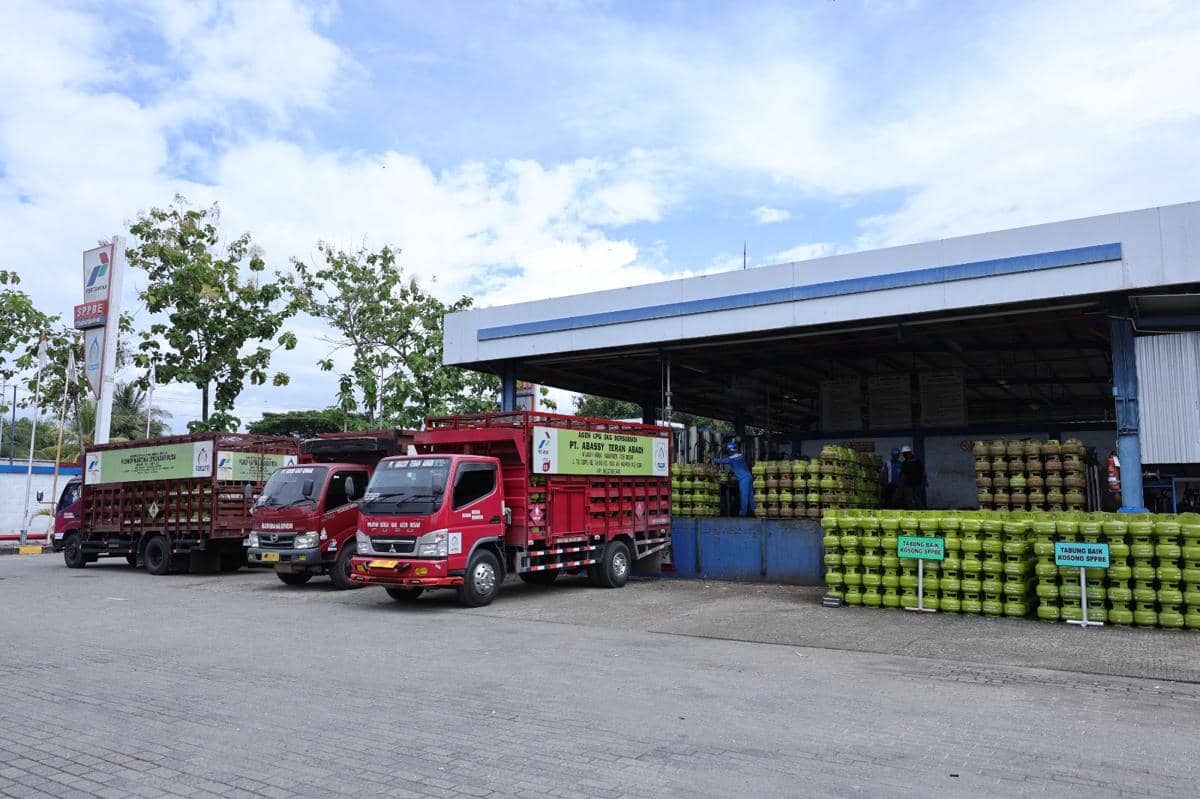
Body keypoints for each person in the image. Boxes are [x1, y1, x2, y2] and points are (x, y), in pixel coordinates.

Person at [714, 440, 755, 517]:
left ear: (730, 450)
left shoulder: (731, 458)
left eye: (728, 451)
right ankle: (754, 510)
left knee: (744, 496)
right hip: (749, 476)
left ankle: (743, 513)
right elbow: (738, 466)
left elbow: (720, 461)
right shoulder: (740, 455)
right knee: (750, 495)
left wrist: (712, 458)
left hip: (743, 479)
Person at [897, 445, 927, 509]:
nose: (903, 456)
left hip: (909, 484)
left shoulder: (906, 463)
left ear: (906, 454)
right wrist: (925, 480)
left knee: (910, 499)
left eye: (904, 454)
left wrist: (901, 484)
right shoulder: (917, 461)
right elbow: (923, 471)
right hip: (917, 483)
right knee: (916, 497)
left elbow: (903, 475)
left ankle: (914, 511)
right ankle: (922, 510)